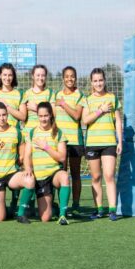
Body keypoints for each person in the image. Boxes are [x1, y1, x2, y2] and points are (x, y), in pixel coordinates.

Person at [81, 68, 123, 221]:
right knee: (96, 177)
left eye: (100, 80)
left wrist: (120, 141)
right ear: (91, 82)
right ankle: (99, 209)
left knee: (109, 175)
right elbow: (85, 120)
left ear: (104, 81)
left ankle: (112, 209)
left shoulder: (112, 97)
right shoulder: (87, 99)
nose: (98, 83)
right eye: (95, 81)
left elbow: (118, 121)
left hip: (109, 143)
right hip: (92, 143)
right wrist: (100, 111)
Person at [0, 103, 35, 222]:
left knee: (29, 180)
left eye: (4, 115)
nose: (2, 118)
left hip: (11, 174)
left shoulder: (16, 131)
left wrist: (23, 161)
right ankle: (6, 209)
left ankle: (21, 214)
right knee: (1, 218)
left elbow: (22, 150)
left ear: (7, 115)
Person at [23, 102, 71, 225]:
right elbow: (27, 155)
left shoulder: (58, 133)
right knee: (45, 218)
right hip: (40, 177)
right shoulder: (32, 133)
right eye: (40, 116)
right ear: (37, 116)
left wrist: (46, 147)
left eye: (46, 115)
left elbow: (62, 157)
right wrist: (28, 167)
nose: (43, 119)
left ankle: (62, 215)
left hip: (54, 173)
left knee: (65, 177)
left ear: (50, 115)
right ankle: (54, 207)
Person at [54, 66, 85, 215]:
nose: (70, 79)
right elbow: (53, 117)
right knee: (61, 173)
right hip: (60, 142)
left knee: (75, 174)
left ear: (76, 78)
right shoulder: (57, 95)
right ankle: (63, 206)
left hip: (74, 141)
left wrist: (64, 104)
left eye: (72, 76)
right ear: (63, 78)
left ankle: (76, 205)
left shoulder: (80, 95)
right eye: (67, 76)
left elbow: (77, 116)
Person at [20, 64, 54, 135]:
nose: (40, 78)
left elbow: (54, 114)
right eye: (38, 75)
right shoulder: (26, 94)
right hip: (28, 134)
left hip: (44, 134)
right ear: (33, 76)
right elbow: (23, 117)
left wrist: (37, 108)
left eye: (43, 75)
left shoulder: (50, 93)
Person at [0, 63, 25, 128]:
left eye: (10, 75)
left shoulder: (19, 94)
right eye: (5, 75)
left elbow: (23, 117)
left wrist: (6, 107)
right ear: (0, 75)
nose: (7, 78)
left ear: (13, 76)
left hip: (12, 135)